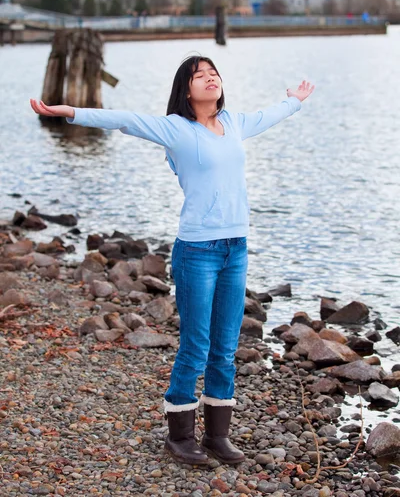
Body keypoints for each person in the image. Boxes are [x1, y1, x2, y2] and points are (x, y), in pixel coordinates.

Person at [30, 55, 315, 467]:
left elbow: (269, 116)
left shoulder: (234, 123)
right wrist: (69, 112)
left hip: (236, 248)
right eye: (200, 75)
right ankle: (180, 437)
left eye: (214, 72)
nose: (210, 78)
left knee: (225, 346)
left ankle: (217, 436)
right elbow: (122, 118)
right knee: (196, 346)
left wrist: (293, 101)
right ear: (186, 89)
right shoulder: (176, 129)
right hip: (197, 251)